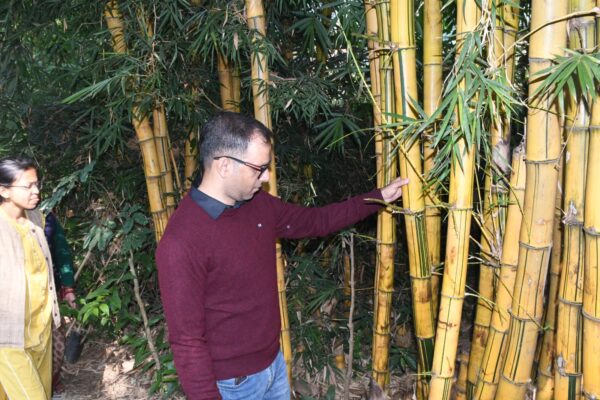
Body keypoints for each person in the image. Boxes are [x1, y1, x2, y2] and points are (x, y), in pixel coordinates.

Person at [156, 112, 409, 400]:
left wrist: (376, 198)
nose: (266, 177)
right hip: (232, 385)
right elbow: (187, 342)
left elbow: (317, 221)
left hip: (273, 366)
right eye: (259, 168)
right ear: (224, 165)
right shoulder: (182, 241)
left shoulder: (257, 205)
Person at [0, 156, 61, 400]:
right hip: (7, 337)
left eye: (37, 184)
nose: (36, 192)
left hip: (41, 331)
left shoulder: (36, 218)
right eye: (28, 186)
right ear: (3, 190)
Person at [44, 211, 77, 394]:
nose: (35, 191)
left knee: (56, 341)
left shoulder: (46, 218)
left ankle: (51, 381)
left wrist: (68, 288)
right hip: (12, 298)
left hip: (48, 291)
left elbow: (61, 251)